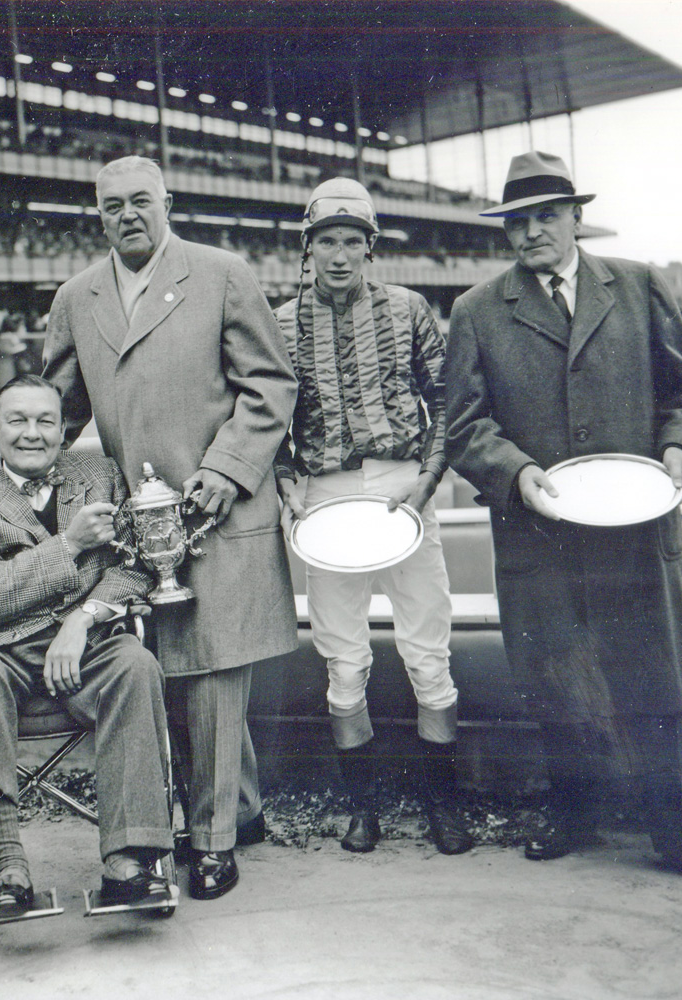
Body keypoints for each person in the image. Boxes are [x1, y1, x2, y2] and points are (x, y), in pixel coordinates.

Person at [444, 151, 682, 888]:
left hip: (637, 528)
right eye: (518, 221)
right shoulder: (477, 310)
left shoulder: (641, 288)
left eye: (547, 215)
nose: (532, 232)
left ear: (577, 217)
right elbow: (463, 427)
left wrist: (678, 451)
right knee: (554, 679)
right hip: (537, 530)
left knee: (661, 681)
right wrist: (515, 472)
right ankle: (573, 811)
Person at [43, 155, 298, 900]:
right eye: (113, 205)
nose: (129, 215)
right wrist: (18, 485)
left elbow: (271, 385)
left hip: (221, 505)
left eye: (142, 201)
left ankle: (214, 842)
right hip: (137, 524)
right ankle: (240, 809)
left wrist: (227, 469)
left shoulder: (221, 273)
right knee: (175, 671)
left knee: (215, 673)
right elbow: (54, 411)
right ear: (97, 214)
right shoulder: (76, 296)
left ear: (168, 203)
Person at [273, 178, 474, 856]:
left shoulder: (409, 308)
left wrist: (429, 475)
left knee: (428, 648)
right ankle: (365, 809)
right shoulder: (280, 322)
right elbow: (269, 414)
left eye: (351, 241)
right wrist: (286, 479)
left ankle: (442, 803)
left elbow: (445, 397)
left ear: (369, 247)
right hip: (327, 493)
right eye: (326, 241)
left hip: (400, 486)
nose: (338, 254)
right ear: (308, 248)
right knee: (343, 658)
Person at [0, 374, 175, 915]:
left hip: (87, 644)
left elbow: (135, 567)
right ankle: (9, 866)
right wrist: (70, 544)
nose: (32, 433)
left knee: (136, 664)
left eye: (45, 421)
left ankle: (126, 860)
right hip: (6, 651)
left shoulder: (100, 476)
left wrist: (84, 619)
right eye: (17, 420)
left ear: (64, 427)